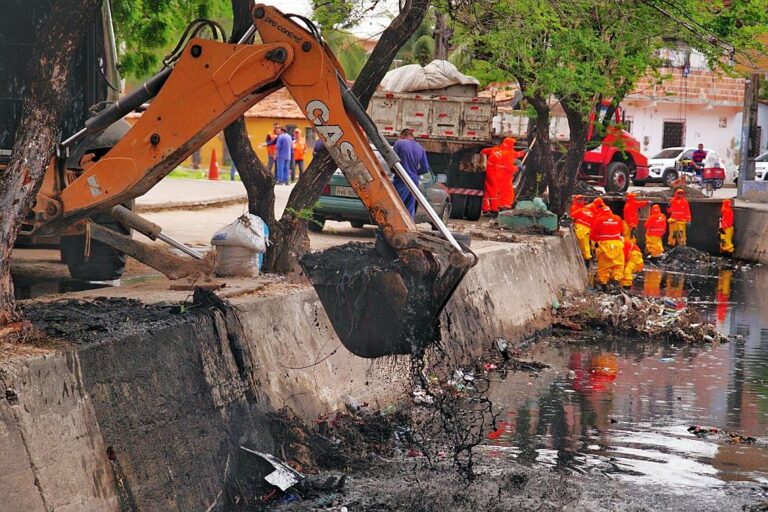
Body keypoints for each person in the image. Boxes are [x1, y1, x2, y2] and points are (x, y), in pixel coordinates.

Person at [392, 128, 431, 217]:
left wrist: (394, 171)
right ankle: (408, 229)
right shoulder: (420, 148)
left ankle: (391, 229)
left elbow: (392, 160)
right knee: (409, 210)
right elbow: (425, 168)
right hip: (413, 182)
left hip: (401, 181)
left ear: (403, 136)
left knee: (395, 206)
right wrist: (414, 173)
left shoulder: (399, 143)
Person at [590, 207, 625, 289]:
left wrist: (596, 243)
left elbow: (593, 234)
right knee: (618, 266)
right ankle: (616, 282)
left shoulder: (600, 219)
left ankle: (604, 286)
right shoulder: (618, 218)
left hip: (604, 247)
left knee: (604, 268)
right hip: (617, 245)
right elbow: (622, 231)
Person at [497, 137, 526, 210]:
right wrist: (517, 167)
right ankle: (504, 208)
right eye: (512, 144)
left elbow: (515, 154)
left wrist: (523, 152)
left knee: (504, 192)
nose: (513, 145)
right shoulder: (505, 153)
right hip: (503, 176)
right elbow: (508, 166)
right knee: (507, 193)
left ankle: (502, 207)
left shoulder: (506, 150)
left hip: (504, 176)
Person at [572, 197, 600, 264]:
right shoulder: (594, 215)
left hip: (578, 229)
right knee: (586, 246)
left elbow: (572, 217)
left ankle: (588, 259)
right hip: (585, 231)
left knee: (585, 246)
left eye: (582, 199)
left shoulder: (581, 210)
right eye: (579, 199)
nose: (580, 201)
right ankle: (587, 261)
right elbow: (594, 227)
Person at [481, 144, 503, 217]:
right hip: (495, 175)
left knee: (486, 192)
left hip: (488, 173)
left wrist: (483, 162)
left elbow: (482, 151)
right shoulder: (505, 154)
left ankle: (485, 209)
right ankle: (494, 210)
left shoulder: (494, 149)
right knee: (493, 192)